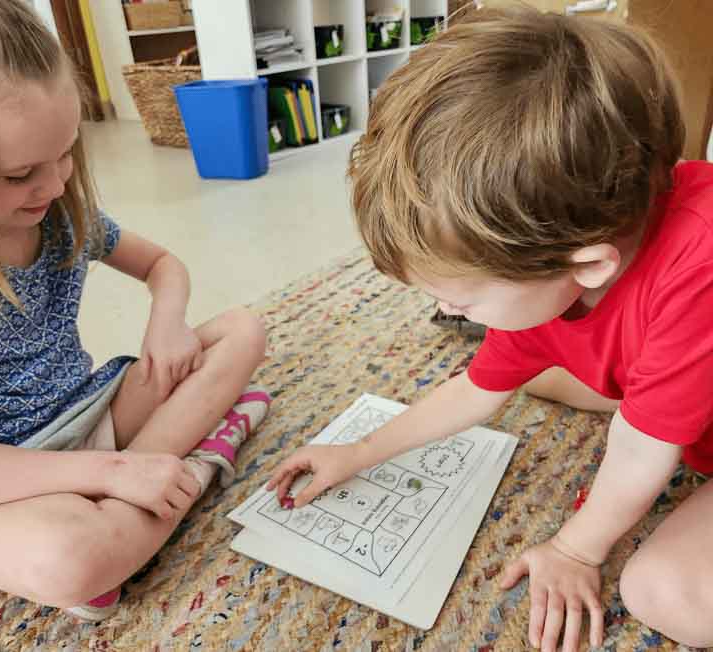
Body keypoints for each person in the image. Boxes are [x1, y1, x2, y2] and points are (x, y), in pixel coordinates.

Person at [269, 7, 713, 651]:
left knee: (663, 591)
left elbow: (642, 453)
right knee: (545, 379)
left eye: (463, 301)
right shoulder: (556, 268)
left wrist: (576, 548)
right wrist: (358, 453)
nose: (448, 314)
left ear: (588, 265)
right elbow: (477, 388)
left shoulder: (698, 267)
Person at [0, 0, 270, 621]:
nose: (54, 186)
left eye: (67, 152)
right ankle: (188, 469)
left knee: (243, 330)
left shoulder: (59, 216)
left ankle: (136, 506)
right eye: (21, 173)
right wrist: (109, 473)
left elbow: (164, 265)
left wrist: (167, 322)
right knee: (66, 560)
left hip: (85, 412)